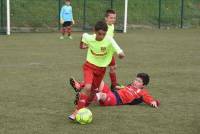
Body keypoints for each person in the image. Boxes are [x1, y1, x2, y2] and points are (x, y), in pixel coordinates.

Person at [68, 21, 125, 120]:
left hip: (101, 70)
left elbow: (119, 50)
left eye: (104, 34)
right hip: (89, 66)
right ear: (95, 31)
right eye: (99, 34)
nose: (101, 36)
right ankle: (77, 111)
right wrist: (82, 45)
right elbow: (83, 36)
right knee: (88, 87)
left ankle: (82, 106)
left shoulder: (109, 39)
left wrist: (121, 54)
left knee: (92, 94)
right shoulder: (89, 38)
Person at [79, 9, 121, 90]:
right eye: (111, 18)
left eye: (114, 18)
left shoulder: (112, 26)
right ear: (106, 18)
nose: (113, 20)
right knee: (100, 72)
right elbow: (95, 38)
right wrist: (86, 45)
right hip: (102, 53)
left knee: (113, 67)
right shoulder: (103, 27)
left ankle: (113, 85)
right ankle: (81, 85)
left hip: (107, 51)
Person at [70, 73, 160, 108]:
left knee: (101, 94)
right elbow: (123, 88)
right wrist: (118, 87)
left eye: (139, 81)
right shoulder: (129, 86)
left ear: (143, 85)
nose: (135, 81)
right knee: (98, 79)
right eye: (136, 79)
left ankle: (82, 100)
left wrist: (154, 102)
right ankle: (79, 86)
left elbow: (148, 98)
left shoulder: (142, 92)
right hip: (112, 93)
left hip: (116, 100)